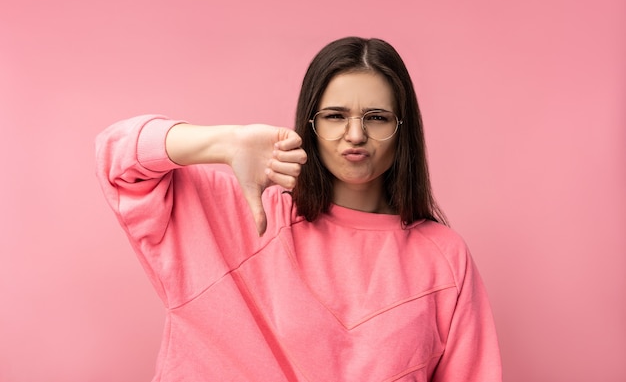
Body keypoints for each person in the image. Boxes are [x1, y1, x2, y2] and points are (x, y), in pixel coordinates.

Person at [96, 37, 502, 381]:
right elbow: (118, 159)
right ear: (310, 124)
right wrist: (224, 143)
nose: (355, 135)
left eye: (377, 117)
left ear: (402, 129)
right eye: (334, 116)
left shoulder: (444, 257)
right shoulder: (248, 214)